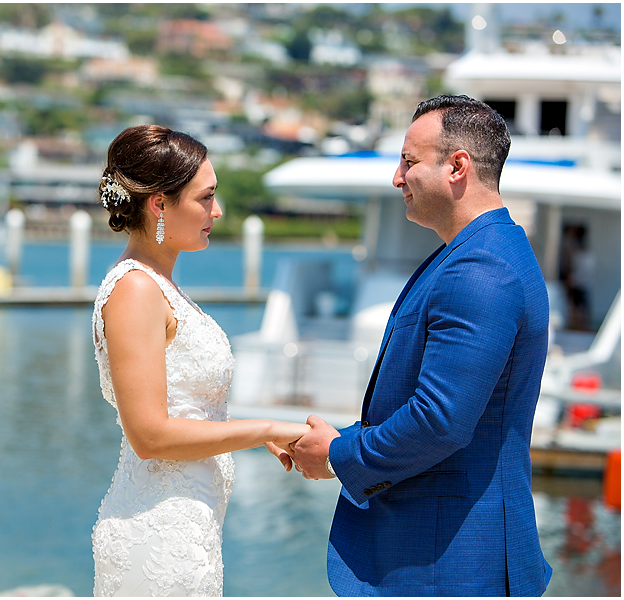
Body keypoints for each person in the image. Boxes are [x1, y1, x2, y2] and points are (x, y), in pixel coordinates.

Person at [285, 95, 553, 595]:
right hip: (443, 552)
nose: (396, 177)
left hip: (451, 562)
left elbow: (439, 420)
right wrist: (337, 438)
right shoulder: (472, 255)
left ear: (457, 166)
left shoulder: (481, 268)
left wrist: (340, 455)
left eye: (408, 161)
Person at [91, 124, 309, 597]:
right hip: (158, 535)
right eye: (206, 197)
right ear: (160, 204)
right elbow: (150, 435)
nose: (219, 210)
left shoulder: (158, 285)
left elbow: (188, 406)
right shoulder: (135, 289)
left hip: (190, 524)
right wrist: (266, 430)